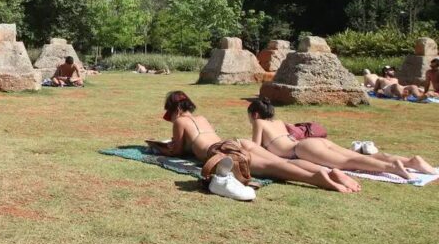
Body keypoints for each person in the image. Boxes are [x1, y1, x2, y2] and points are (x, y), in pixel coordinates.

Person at [154, 90, 360, 193]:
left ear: (174, 109)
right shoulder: (202, 118)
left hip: (223, 151)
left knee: (275, 167)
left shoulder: (180, 121)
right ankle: (328, 171)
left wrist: (161, 149)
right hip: (235, 142)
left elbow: (178, 150)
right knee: (282, 162)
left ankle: (319, 178)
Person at [247, 97, 435, 176]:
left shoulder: (258, 122)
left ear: (255, 114)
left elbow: (255, 147)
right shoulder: (278, 122)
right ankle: (411, 161)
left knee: (348, 163)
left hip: (301, 149)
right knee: (356, 156)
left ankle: (392, 167)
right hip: (315, 142)